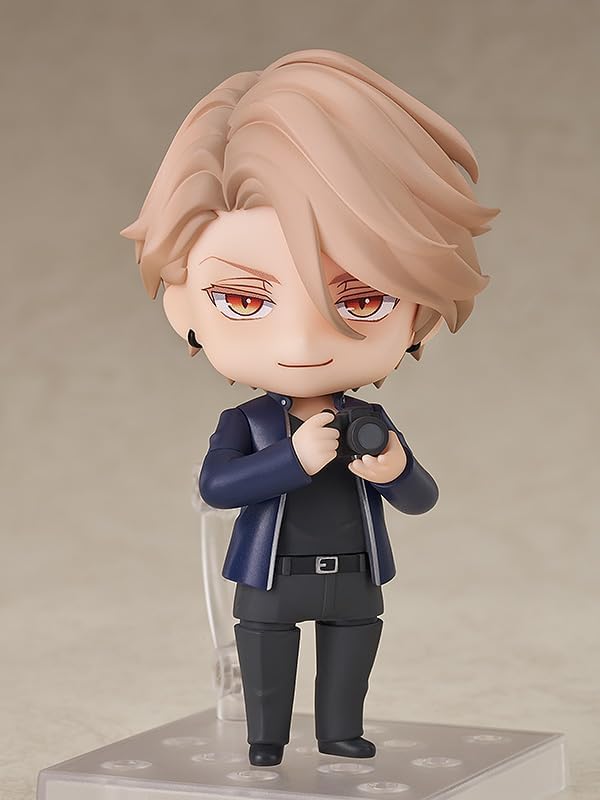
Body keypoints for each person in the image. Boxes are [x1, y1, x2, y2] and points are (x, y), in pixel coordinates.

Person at [121, 48, 498, 767]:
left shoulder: (368, 422)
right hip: (271, 579)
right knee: (268, 663)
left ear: (418, 313)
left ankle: (339, 733)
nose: (301, 343)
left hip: (354, 576)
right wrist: (290, 461)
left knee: (350, 659)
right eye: (244, 299)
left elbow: (421, 498)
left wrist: (394, 470)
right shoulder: (247, 424)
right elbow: (216, 487)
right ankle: (265, 741)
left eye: (362, 299)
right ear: (183, 307)